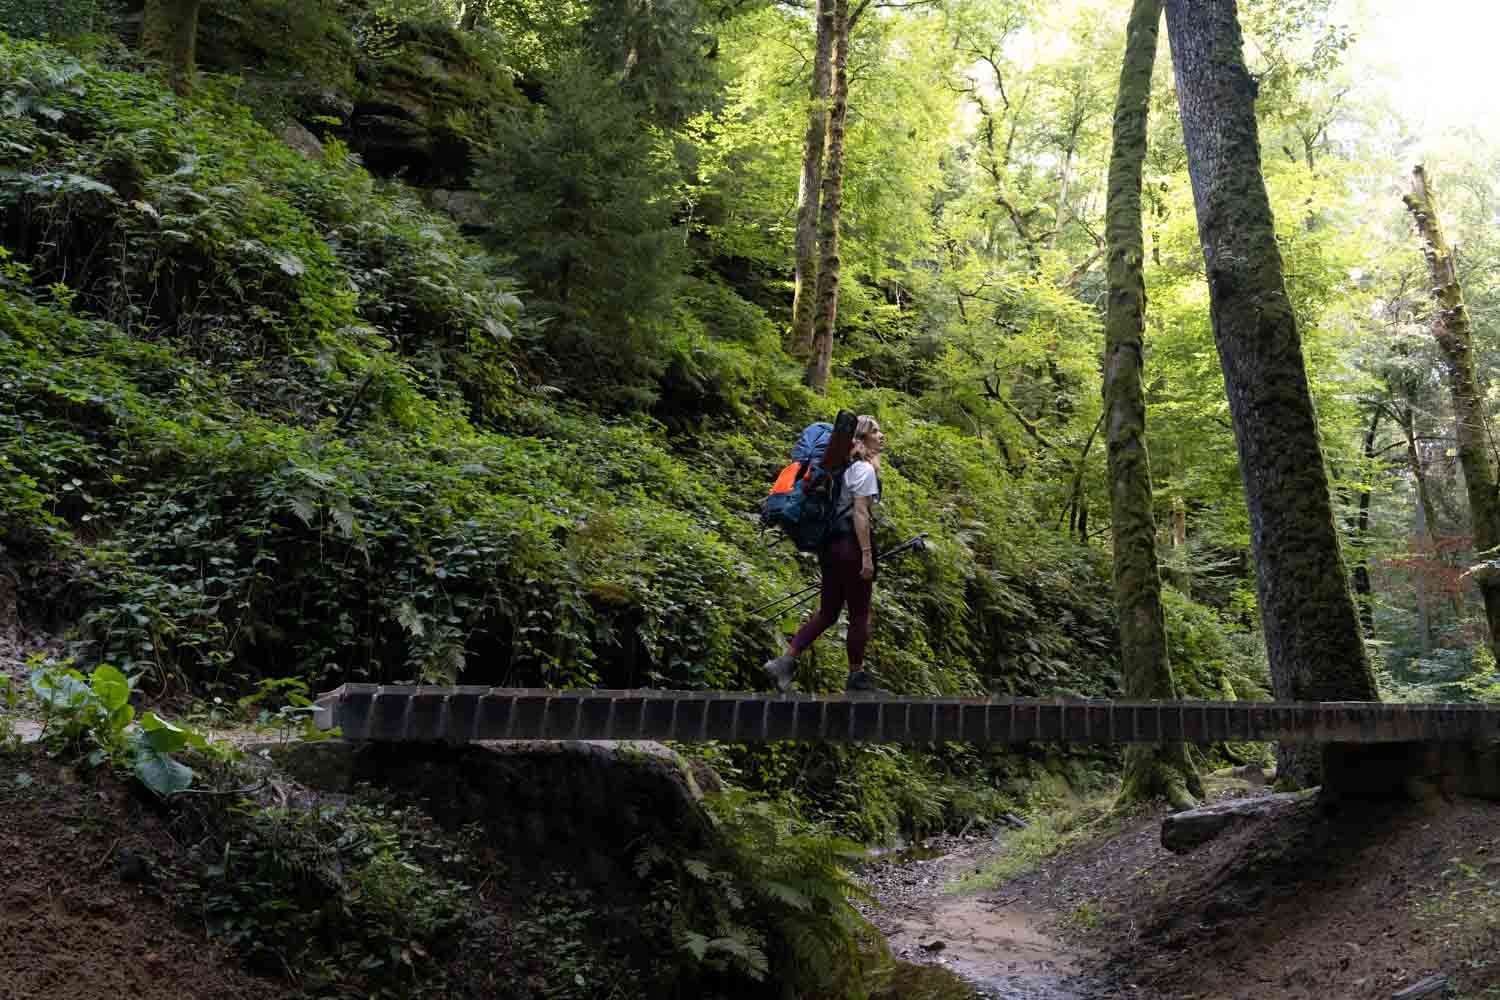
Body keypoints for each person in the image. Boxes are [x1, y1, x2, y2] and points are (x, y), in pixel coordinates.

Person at [763, 414, 887, 693]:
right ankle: (856, 678)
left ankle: (785, 662)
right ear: (862, 438)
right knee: (859, 614)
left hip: (828, 547)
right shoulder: (864, 470)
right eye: (876, 432)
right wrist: (866, 555)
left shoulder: (839, 469)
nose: (881, 436)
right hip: (850, 546)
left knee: (828, 612)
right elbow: (860, 514)